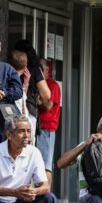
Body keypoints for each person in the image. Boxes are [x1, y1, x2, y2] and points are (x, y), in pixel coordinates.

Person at [0, 115, 59, 203]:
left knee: (49, 198)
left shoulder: (34, 152)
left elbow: (46, 186)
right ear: (9, 135)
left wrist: (32, 192)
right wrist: (15, 192)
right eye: (21, 131)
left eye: (28, 131)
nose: (26, 135)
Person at [14, 39, 51, 145]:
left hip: (12, 111)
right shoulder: (34, 69)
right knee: (28, 147)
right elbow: (47, 95)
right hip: (29, 110)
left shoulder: (10, 68)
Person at [37, 58, 61, 187]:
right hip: (37, 127)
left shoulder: (52, 85)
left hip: (47, 128)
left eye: (42, 68)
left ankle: (45, 195)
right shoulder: (40, 83)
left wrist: (37, 102)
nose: (40, 71)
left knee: (45, 164)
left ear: (47, 69)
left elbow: (47, 106)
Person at [9, 49, 31, 116]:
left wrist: (25, 84)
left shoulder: (8, 77)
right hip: (16, 118)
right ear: (25, 66)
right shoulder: (15, 80)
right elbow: (21, 102)